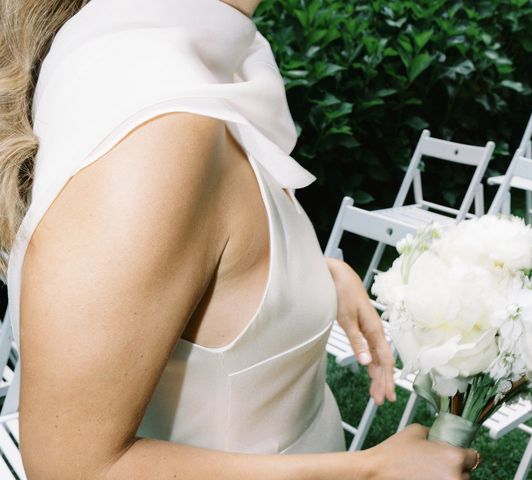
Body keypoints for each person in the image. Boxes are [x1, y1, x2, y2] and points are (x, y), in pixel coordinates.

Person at [0, 0, 481, 478]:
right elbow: (74, 467)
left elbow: (200, 260)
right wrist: (369, 471)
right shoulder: (158, 129)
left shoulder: (182, 62)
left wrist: (314, 278)